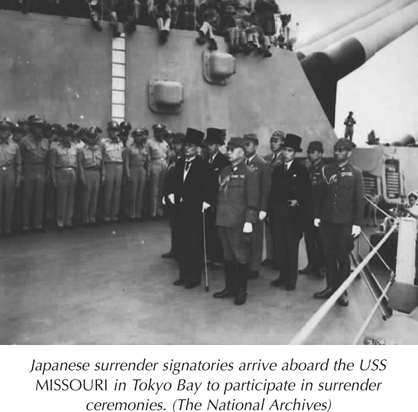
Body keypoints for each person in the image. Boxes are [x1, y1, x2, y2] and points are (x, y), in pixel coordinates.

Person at [313, 138, 364, 307]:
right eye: (336, 149)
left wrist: (357, 223)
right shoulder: (326, 169)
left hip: (344, 223)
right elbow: (320, 195)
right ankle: (330, 287)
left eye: (341, 150)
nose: (337, 153)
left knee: (342, 257)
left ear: (349, 153)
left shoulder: (356, 173)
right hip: (327, 221)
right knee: (328, 255)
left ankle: (341, 292)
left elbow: (359, 200)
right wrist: (317, 215)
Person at [213, 137, 260, 305]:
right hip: (223, 220)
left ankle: (242, 291)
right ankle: (230, 288)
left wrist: (249, 221)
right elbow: (220, 196)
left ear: (242, 151)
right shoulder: (225, 171)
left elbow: (253, 200)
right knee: (227, 256)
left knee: (241, 257)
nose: (229, 152)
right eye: (228, 149)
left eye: (233, 149)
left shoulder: (250, 173)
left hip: (239, 223)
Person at [167, 128, 211, 289]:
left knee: (194, 243)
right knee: (182, 242)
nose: (187, 148)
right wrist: (171, 193)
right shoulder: (179, 164)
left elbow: (209, 187)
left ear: (197, 148)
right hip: (180, 208)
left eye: (191, 146)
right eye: (186, 145)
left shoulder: (202, 165)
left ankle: (194, 277)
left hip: (195, 209)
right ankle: (183, 275)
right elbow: (172, 182)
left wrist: (207, 201)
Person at [269, 133, 310, 291]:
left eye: (290, 150)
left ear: (295, 152)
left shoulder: (301, 170)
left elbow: (307, 193)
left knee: (291, 248)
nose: (286, 153)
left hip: (293, 216)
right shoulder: (278, 170)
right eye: (285, 150)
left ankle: (292, 279)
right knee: (280, 247)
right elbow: (273, 192)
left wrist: (298, 201)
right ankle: (283, 275)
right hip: (279, 213)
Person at [243, 133, 270, 279]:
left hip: (257, 206)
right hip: (244, 206)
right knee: (244, 237)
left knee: (256, 238)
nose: (245, 147)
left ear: (255, 145)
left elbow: (266, 188)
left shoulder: (261, 164)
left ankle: (254, 267)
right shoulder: (241, 162)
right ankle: (245, 263)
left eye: (248, 144)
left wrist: (263, 208)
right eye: (244, 144)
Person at [203, 127, 230, 269]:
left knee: (217, 230)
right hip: (205, 202)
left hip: (217, 201)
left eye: (212, 144)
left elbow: (222, 184)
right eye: (207, 144)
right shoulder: (205, 160)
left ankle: (219, 257)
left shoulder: (223, 161)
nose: (209, 147)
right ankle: (210, 255)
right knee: (208, 229)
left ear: (218, 145)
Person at [19, 116, 50, 234]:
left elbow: (48, 159)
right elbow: (19, 158)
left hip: (41, 169)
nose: (40, 130)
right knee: (27, 198)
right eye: (37, 127)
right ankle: (25, 225)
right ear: (32, 128)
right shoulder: (24, 141)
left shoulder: (46, 141)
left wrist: (47, 173)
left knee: (39, 198)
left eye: (41, 127)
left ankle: (38, 224)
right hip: (28, 168)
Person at [299, 141, 325, 278]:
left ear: (320, 154)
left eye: (313, 152)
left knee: (319, 240)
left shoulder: (324, 170)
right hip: (307, 210)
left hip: (317, 211)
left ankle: (320, 266)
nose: (309, 154)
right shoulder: (308, 169)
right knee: (308, 239)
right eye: (309, 152)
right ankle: (311, 264)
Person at [262, 130, 285, 267]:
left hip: (278, 198)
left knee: (279, 230)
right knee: (268, 229)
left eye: (276, 141)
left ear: (282, 142)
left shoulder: (285, 158)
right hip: (267, 196)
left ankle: (279, 258)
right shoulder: (267, 158)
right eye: (271, 141)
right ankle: (270, 256)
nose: (272, 144)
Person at [162, 132, 185, 259]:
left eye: (178, 144)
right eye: (174, 144)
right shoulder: (173, 158)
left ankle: (180, 251)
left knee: (180, 225)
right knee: (173, 224)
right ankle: (174, 249)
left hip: (178, 197)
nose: (176, 146)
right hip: (170, 196)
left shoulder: (184, 160)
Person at [50, 127, 78, 231]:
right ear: (61, 137)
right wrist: (53, 178)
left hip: (72, 171)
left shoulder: (74, 148)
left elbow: (77, 164)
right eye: (65, 135)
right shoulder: (56, 148)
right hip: (61, 171)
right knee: (62, 198)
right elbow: (52, 165)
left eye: (69, 135)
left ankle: (68, 221)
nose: (67, 138)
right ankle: (60, 222)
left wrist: (77, 176)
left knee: (71, 198)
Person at [78, 126, 105, 227]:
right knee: (86, 197)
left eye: (94, 136)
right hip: (87, 172)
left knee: (94, 197)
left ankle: (92, 217)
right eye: (90, 136)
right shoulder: (82, 150)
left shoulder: (99, 149)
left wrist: (103, 176)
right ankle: (85, 219)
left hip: (96, 172)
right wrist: (82, 178)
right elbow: (80, 166)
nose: (92, 138)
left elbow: (102, 164)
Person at [0, 120, 21, 236]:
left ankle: (7, 228)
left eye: (6, 130)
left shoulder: (14, 146)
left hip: (10, 172)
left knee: (9, 201)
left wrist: (18, 179)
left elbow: (18, 163)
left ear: (10, 132)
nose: (3, 132)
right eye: (1, 129)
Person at [125, 128, 150, 221]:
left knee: (140, 192)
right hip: (133, 168)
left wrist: (148, 173)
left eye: (140, 135)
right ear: (134, 137)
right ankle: (132, 214)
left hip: (142, 169)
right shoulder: (129, 148)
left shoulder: (145, 148)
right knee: (133, 192)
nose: (139, 138)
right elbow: (126, 163)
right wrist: (128, 174)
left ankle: (138, 214)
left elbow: (148, 161)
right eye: (137, 136)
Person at [102, 121, 124, 223]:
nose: (114, 133)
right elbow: (101, 158)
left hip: (119, 165)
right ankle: (106, 215)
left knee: (117, 192)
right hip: (109, 165)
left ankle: (114, 215)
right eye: (112, 131)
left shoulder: (121, 142)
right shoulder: (104, 143)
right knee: (108, 192)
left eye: (116, 131)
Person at [147, 124, 169, 219]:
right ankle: (153, 212)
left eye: (161, 131)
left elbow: (167, 156)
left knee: (161, 189)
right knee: (154, 189)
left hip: (163, 163)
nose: (159, 133)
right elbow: (148, 157)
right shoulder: (150, 142)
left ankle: (159, 211)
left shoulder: (165, 143)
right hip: (154, 163)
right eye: (157, 131)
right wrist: (149, 170)